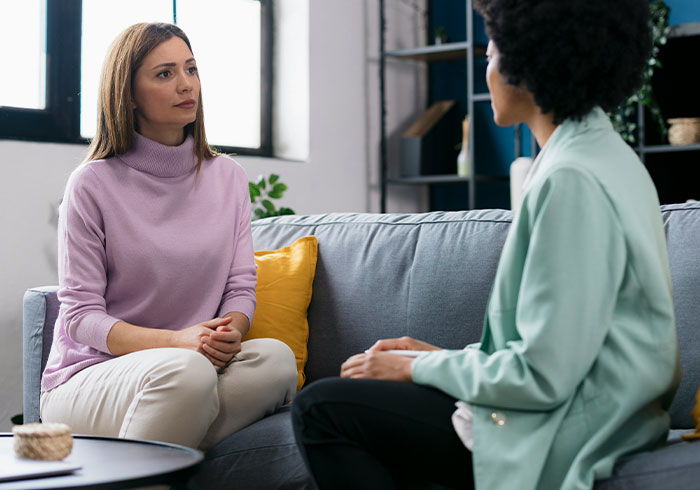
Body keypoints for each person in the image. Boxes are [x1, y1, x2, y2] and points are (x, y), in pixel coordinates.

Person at [291, 0, 681, 488]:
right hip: (599, 408)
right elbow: (563, 343)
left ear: (529, 62)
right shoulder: (603, 157)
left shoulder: (571, 180)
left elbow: (541, 375)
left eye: (492, 53)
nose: (487, 68)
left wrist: (420, 368)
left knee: (320, 409)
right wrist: (430, 358)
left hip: (568, 426)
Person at [40, 22, 298, 450]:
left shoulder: (228, 177)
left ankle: (152, 456)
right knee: (187, 373)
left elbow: (240, 285)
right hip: (91, 378)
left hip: (191, 368)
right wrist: (178, 342)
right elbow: (80, 318)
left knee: (275, 361)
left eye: (191, 69)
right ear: (129, 95)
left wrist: (228, 332)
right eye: (164, 74)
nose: (186, 85)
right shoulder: (92, 183)